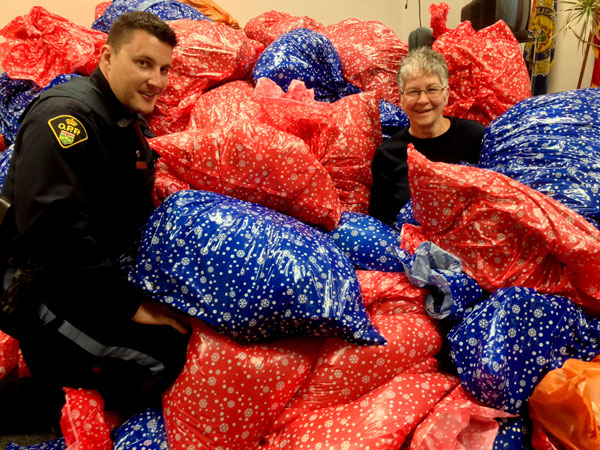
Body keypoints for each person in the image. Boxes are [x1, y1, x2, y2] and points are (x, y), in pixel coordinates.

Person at [0, 11, 190, 434]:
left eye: (164, 69)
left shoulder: (124, 122)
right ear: (107, 57)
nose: (156, 80)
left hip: (83, 278)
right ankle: (50, 397)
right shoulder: (67, 118)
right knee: (163, 358)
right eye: (143, 63)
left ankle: (67, 378)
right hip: (38, 287)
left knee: (180, 335)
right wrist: (130, 306)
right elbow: (54, 229)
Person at [369, 47, 485, 225]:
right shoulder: (387, 154)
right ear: (401, 99)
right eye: (413, 92)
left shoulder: (475, 137)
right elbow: (381, 220)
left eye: (432, 90)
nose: (423, 100)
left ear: (446, 94)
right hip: (409, 248)